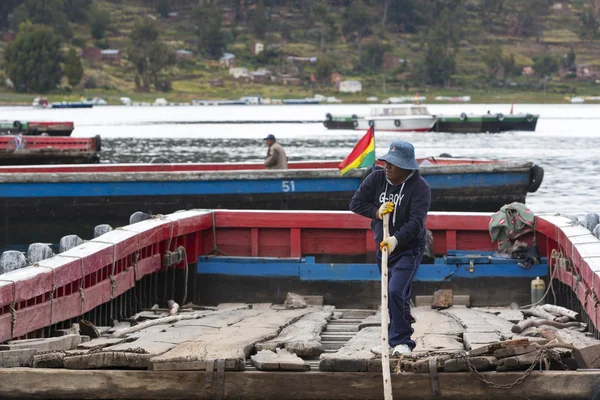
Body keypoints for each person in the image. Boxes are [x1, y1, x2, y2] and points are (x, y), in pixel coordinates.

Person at [349, 140, 431, 357]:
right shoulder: (376, 178)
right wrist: (377, 212)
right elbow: (356, 203)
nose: (386, 166)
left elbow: (416, 223)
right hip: (383, 247)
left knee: (396, 291)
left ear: (405, 167)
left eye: (392, 164)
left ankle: (403, 341)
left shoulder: (420, 188)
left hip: (408, 248)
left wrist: (396, 239)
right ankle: (390, 340)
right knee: (389, 294)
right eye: (386, 162)